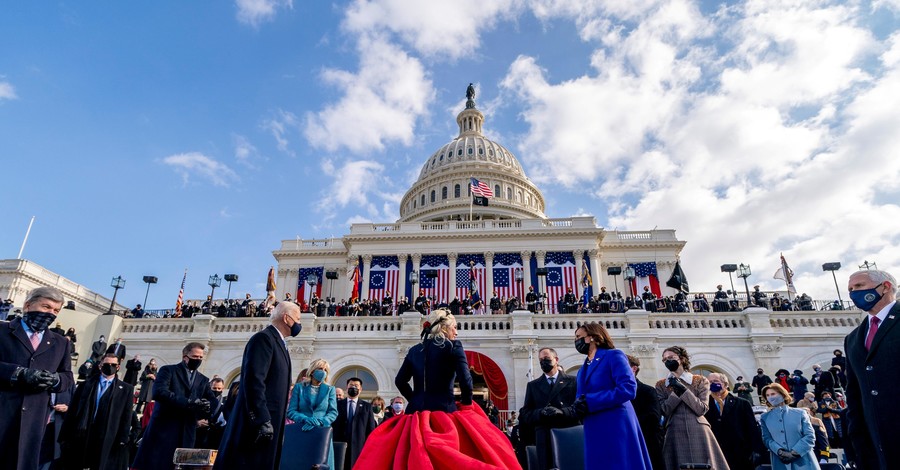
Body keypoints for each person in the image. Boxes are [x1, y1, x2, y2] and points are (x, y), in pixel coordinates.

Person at [355, 308, 518, 469]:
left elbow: (400, 381)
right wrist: (467, 405)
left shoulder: (414, 350)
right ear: (445, 327)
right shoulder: (453, 346)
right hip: (445, 414)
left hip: (414, 417)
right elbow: (466, 381)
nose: (457, 332)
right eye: (455, 327)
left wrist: (414, 399)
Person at [214, 301, 300, 470]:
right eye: (297, 318)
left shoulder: (280, 343)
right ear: (287, 318)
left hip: (270, 424)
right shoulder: (264, 339)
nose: (299, 324)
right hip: (256, 427)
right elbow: (254, 381)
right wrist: (262, 419)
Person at [0, 286, 75, 470]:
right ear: (27, 305)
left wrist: (55, 380)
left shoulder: (60, 342)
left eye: (56, 310)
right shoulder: (2, 330)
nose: (51, 313)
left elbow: (67, 376)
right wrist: (18, 373)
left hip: (33, 423)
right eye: (46, 307)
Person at [566, 323, 651, 468]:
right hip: (593, 424)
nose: (576, 341)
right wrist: (577, 407)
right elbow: (581, 397)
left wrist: (590, 401)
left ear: (593, 337)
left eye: (579, 337)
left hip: (616, 421)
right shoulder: (583, 369)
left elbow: (628, 388)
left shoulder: (613, 355)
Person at [132, 342, 217, 470]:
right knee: (157, 464)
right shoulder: (168, 370)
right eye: (195, 356)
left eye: (201, 357)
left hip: (187, 431)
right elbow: (160, 392)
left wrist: (207, 405)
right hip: (164, 427)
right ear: (185, 356)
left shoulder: (203, 379)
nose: (198, 359)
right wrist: (188, 402)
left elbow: (212, 400)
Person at [655, 346, 729, 470]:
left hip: (698, 429)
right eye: (665, 359)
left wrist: (681, 389)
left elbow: (701, 409)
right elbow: (664, 410)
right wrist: (675, 393)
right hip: (674, 430)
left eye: (671, 357)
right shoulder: (661, 384)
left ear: (682, 359)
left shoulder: (700, 380)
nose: (668, 361)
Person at [58, 353, 134, 470]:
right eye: (107, 364)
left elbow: (127, 416)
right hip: (83, 432)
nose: (110, 367)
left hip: (107, 436)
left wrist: (122, 440)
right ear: (100, 366)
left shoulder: (126, 389)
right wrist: (64, 435)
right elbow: (72, 410)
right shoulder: (85, 385)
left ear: (118, 367)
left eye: (113, 364)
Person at [518, 347, 578, 470]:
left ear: (556, 359)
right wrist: (540, 412)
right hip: (544, 436)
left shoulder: (573, 381)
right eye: (540, 360)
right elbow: (526, 413)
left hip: (568, 432)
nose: (543, 362)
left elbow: (580, 406)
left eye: (546, 358)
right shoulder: (533, 385)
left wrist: (562, 412)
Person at [285, 358, 338, 468]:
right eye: (320, 368)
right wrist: (305, 419)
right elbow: (291, 411)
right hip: (302, 430)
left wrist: (320, 421)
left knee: (320, 465)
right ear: (313, 371)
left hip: (322, 433)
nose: (323, 372)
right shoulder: (299, 388)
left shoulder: (330, 389)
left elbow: (333, 412)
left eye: (325, 370)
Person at [704, 373, 763, 470]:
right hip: (716, 453)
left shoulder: (742, 403)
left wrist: (756, 451)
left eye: (715, 381)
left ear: (725, 384)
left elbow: (752, 429)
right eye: (709, 382)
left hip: (740, 454)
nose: (712, 384)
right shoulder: (704, 405)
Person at [759, 383, 819, 470]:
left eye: (773, 394)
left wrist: (794, 453)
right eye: (767, 395)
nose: (770, 397)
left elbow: (810, 436)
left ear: (782, 394)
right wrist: (779, 451)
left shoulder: (800, 413)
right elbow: (767, 439)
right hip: (780, 462)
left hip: (804, 461)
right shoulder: (765, 417)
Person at [626, 355, 664, 470]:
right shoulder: (614, 392)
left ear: (634, 368)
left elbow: (653, 418)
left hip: (646, 444)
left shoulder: (648, 391)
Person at [332, 377, 378, 469]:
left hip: (358, 446)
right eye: (351, 385)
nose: (353, 387)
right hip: (340, 444)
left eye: (356, 386)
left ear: (360, 389)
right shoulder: (337, 405)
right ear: (347, 388)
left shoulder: (367, 407)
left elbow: (370, 428)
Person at [197, 378, 227, 450]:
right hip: (200, 434)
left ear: (222, 389)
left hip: (216, 436)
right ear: (210, 388)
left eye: (219, 388)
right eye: (214, 388)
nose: (216, 390)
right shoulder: (201, 399)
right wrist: (197, 422)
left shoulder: (226, 402)